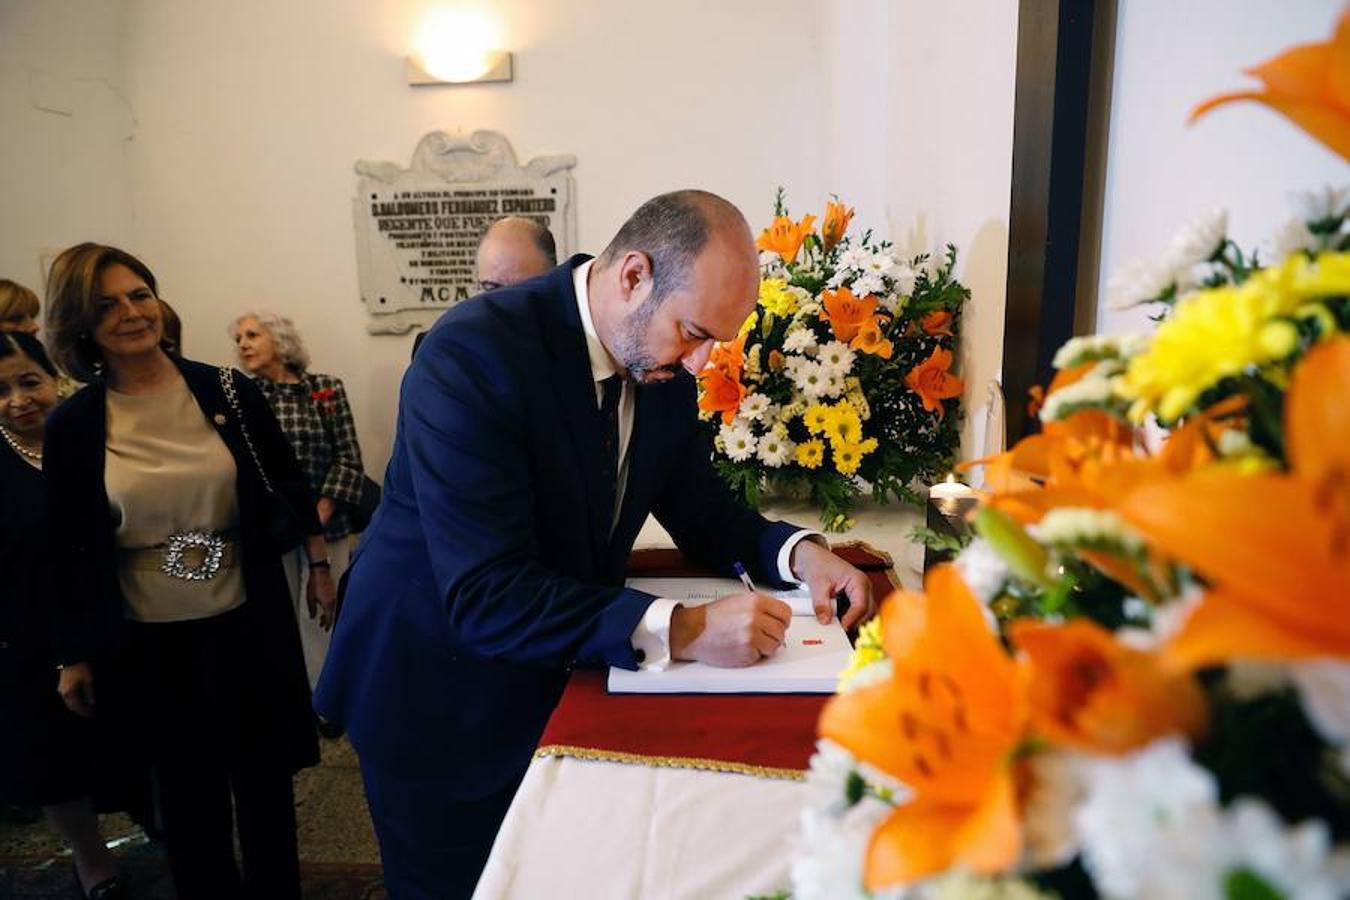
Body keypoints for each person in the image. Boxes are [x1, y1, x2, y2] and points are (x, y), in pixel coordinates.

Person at [316, 190, 876, 899]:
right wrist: (687, 626)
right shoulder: (471, 355)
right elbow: (488, 591)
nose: (705, 365)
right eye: (695, 332)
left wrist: (798, 554)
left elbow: (699, 509)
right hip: (437, 689)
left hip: (553, 673)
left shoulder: (659, 361)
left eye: (717, 343)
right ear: (633, 276)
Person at [42, 243, 333, 899]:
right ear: (80, 322)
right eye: (106, 304)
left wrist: (319, 566)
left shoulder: (224, 390)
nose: (130, 314)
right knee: (186, 796)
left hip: (244, 616)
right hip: (147, 639)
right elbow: (64, 547)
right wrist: (73, 654)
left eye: (139, 295)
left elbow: (286, 484)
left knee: (263, 786)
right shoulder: (75, 425)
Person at [0, 331, 127, 899]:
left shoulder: (87, 435)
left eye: (29, 381)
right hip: (31, 636)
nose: (18, 399)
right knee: (56, 761)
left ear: (55, 378)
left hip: (116, 617)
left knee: (131, 740)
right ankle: (91, 859)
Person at [230, 309, 366, 689]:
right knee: (281, 616)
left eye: (252, 335)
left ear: (281, 340)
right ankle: (293, 694)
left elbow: (349, 460)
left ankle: (327, 695)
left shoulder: (325, 389)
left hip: (330, 524)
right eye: (239, 338)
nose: (243, 344)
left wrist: (316, 517)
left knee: (326, 613)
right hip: (275, 531)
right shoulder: (244, 397)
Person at [411, 216, 558, 358]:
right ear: (477, 285)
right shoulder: (439, 352)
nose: (505, 305)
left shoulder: (575, 351)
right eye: (492, 289)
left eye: (521, 291)